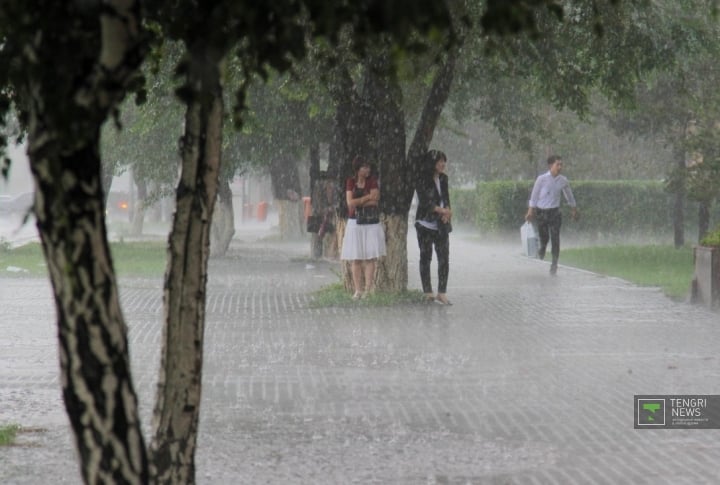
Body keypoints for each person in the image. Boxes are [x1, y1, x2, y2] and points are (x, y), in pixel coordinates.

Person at [340, 156, 386, 299]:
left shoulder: (372, 181)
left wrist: (358, 202)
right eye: (364, 167)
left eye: (368, 167)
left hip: (371, 223)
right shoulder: (350, 182)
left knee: (370, 257)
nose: (367, 170)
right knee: (356, 258)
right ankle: (358, 290)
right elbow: (350, 203)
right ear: (357, 169)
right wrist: (366, 198)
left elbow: (376, 200)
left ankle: (368, 290)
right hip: (355, 223)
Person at [525, 154, 578, 275]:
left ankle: (554, 264)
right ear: (550, 166)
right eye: (557, 164)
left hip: (555, 212)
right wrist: (530, 211)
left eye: (561, 164)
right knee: (544, 237)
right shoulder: (542, 179)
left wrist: (574, 209)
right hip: (542, 212)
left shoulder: (563, 180)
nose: (560, 167)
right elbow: (534, 195)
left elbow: (569, 195)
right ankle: (543, 247)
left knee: (555, 238)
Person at [414, 149, 452, 305]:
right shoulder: (422, 178)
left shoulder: (443, 178)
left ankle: (441, 292)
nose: (443, 164)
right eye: (439, 161)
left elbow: (446, 197)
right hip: (425, 223)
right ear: (432, 163)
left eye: (444, 161)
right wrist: (441, 210)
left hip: (441, 224)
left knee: (444, 259)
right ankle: (428, 292)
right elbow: (425, 202)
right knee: (426, 257)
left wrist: (447, 212)